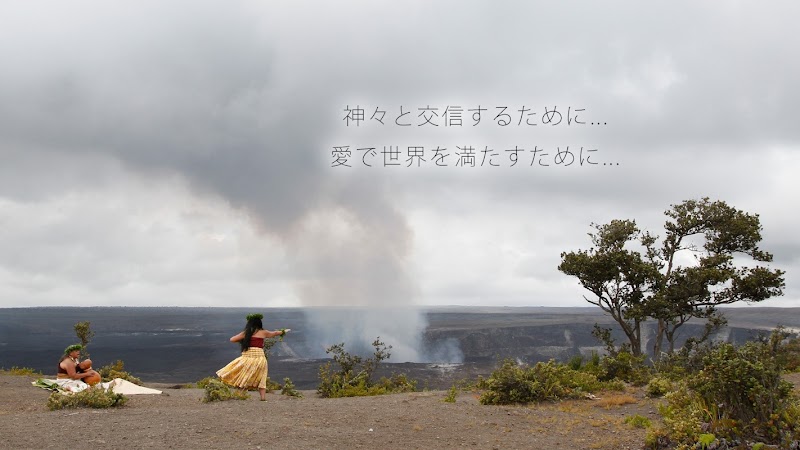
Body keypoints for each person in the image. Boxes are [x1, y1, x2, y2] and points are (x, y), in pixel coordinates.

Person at [216, 313, 288, 401]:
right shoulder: (263, 332)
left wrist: (243, 339)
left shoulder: (247, 332)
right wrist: (283, 331)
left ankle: (240, 395)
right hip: (260, 359)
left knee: (245, 375)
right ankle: (263, 398)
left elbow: (232, 339)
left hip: (248, 357)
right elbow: (274, 333)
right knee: (262, 377)